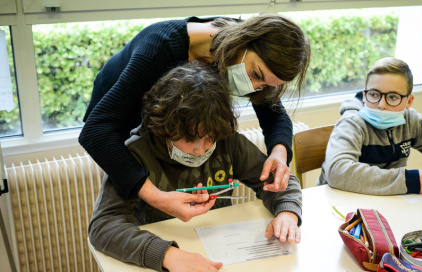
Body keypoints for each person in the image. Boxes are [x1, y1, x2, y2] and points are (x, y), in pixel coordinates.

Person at [79, 14, 310, 220]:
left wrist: (279, 153)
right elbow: (95, 132)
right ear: (241, 43)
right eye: (256, 75)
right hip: (114, 124)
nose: (254, 88)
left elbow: (274, 115)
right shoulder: (159, 48)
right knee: (138, 209)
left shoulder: (246, 49)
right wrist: (156, 197)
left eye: (264, 86)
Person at [88, 63, 303, 272]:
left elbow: (281, 180)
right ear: (164, 127)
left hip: (217, 253)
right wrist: (167, 255)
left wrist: (287, 213)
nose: (200, 150)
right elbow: (102, 227)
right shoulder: (134, 155)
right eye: (189, 139)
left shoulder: (228, 142)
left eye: (210, 138)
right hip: (166, 257)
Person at [318, 57, 422, 195]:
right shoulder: (352, 123)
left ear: (409, 101)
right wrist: (407, 180)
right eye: (374, 94)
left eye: (393, 97)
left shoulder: (411, 121)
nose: (381, 105)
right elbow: (337, 172)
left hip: (388, 201)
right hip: (340, 202)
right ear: (364, 95)